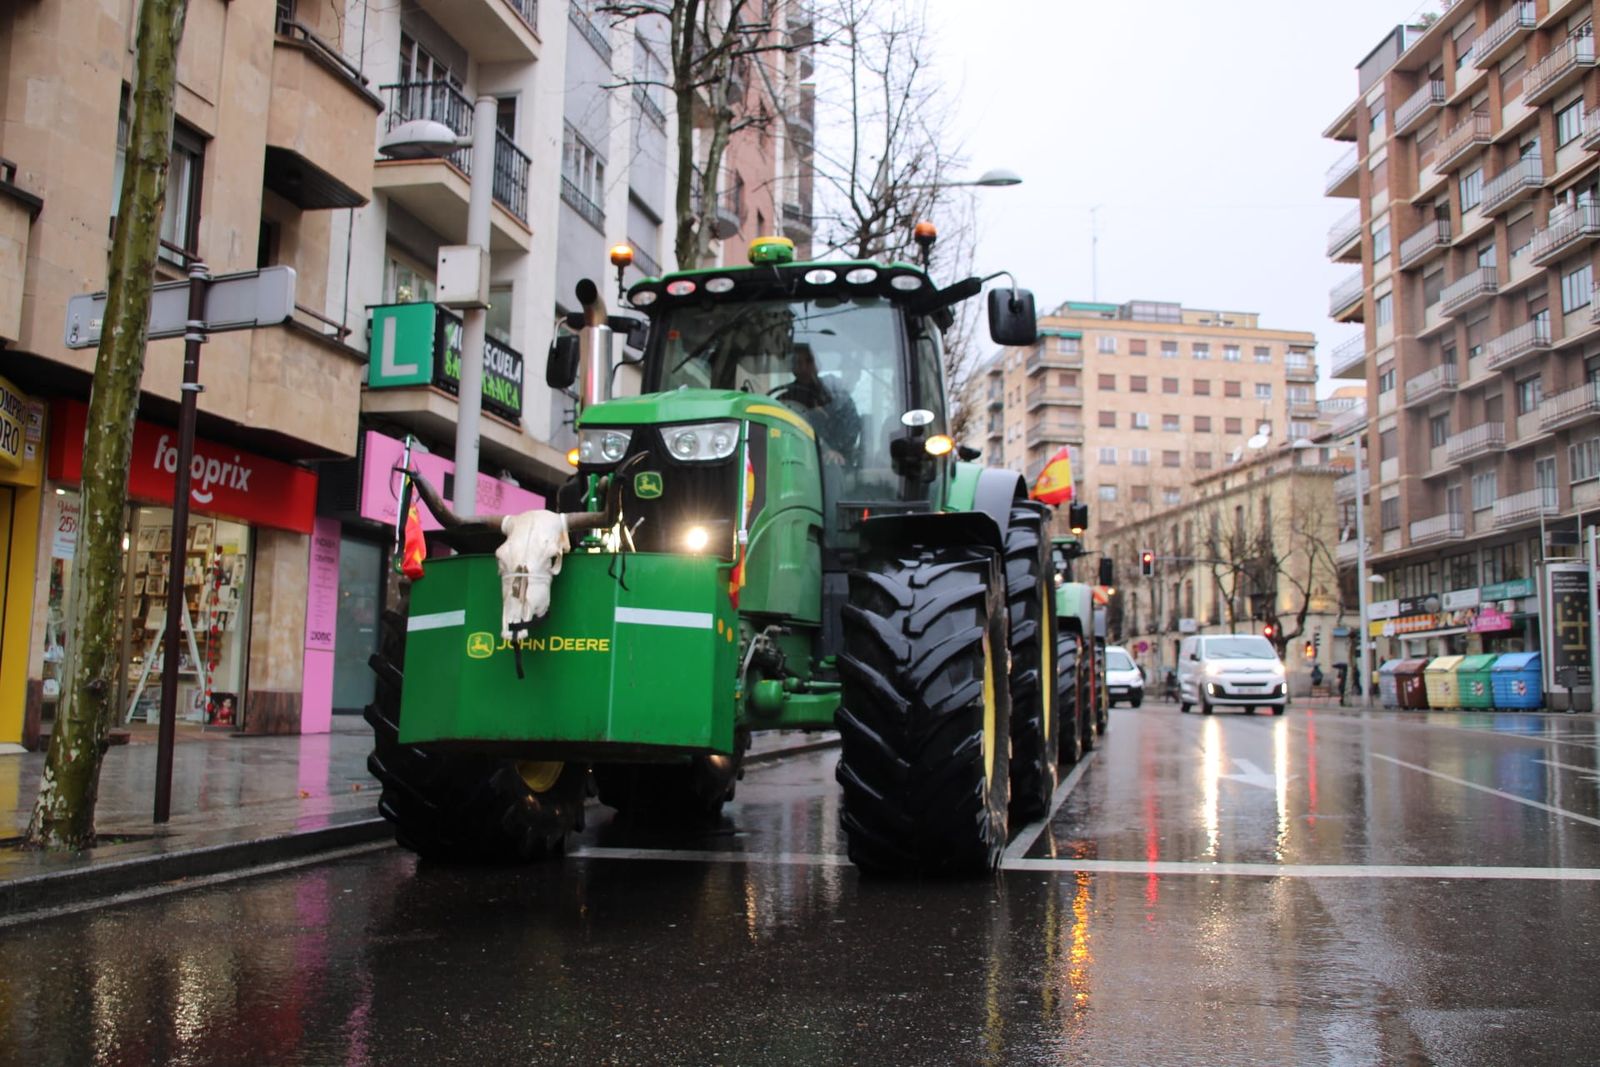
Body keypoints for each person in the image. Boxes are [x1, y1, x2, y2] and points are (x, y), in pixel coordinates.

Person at [776, 344, 860, 465]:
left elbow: (851, 426)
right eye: (798, 362)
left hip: (828, 464)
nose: (803, 368)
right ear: (793, 368)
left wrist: (836, 450)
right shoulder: (783, 400)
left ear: (817, 365)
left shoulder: (837, 396)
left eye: (809, 361)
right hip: (791, 461)